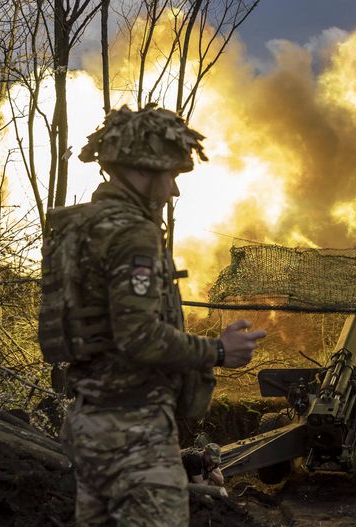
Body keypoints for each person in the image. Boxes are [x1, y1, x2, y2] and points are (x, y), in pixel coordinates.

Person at [56, 104, 266, 526]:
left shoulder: (81, 226)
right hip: (135, 434)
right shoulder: (132, 233)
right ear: (142, 169)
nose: (174, 189)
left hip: (90, 422)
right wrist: (219, 350)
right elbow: (139, 336)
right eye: (170, 174)